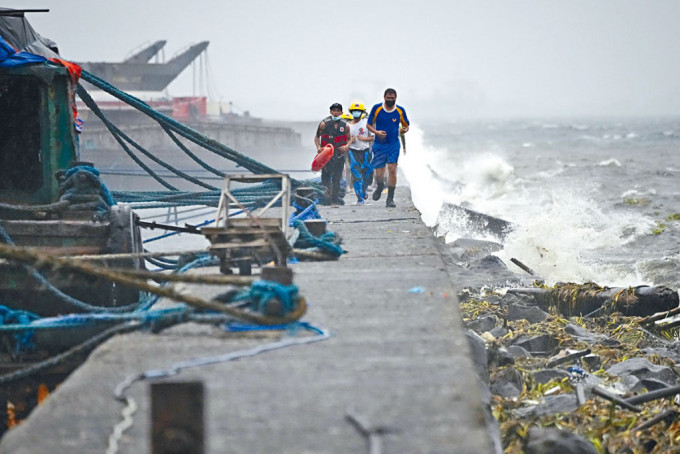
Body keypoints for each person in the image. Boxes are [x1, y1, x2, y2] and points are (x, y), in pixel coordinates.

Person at [366, 88, 410, 207]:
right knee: (379, 173)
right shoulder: (377, 108)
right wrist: (377, 132)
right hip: (379, 145)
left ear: (395, 98)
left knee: (392, 169)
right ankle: (380, 186)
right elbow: (368, 124)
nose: (390, 100)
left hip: (393, 144)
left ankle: (390, 199)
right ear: (384, 97)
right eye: (388, 98)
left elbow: (406, 125)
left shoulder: (400, 110)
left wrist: (404, 130)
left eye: (392, 98)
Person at [314, 103, 351, 207]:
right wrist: (318, 148)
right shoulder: (324, 124)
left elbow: (350, 138)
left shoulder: (345, 126)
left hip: (339, 155)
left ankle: (334, 201)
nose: (336, 113)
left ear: (341, 112)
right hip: (325, 156)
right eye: (334, 111)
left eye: (338, 111)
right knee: (325, 177)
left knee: (336, 178)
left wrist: (346, 146)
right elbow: (316, 137)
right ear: (330, 112)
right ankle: (326, 199)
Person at [346, 101, 374, 204]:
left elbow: (372, 138)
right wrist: (350, 141)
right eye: (354, 111)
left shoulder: (367, 124)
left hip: (366, 152)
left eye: (358, 111)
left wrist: (363, 138)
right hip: (353, 152)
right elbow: (344, 140)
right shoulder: (347, 125)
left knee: (367, 174)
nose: (356, 113)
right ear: (351, 112)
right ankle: (359, 198)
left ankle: (364, 190)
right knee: (356, 175)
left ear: (362, 112)